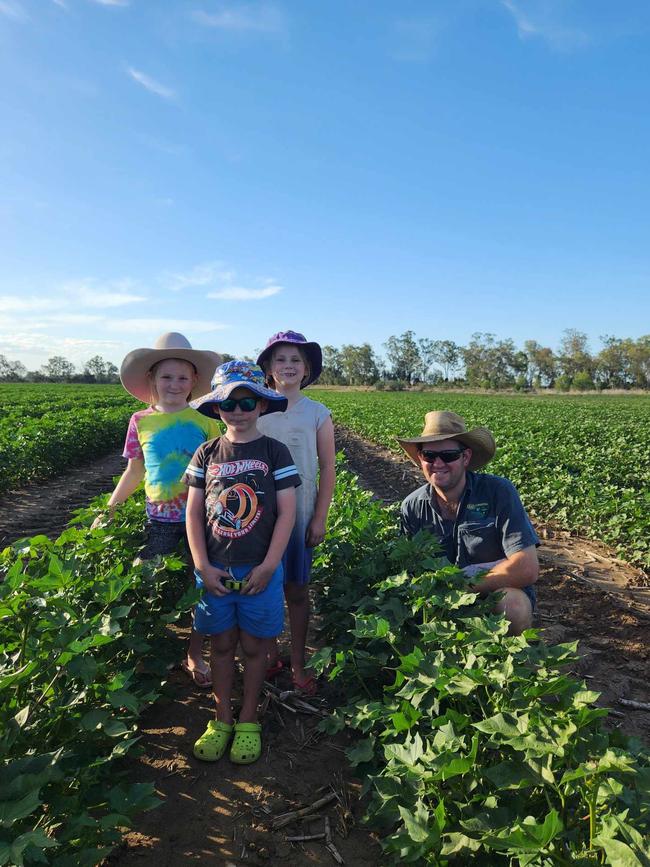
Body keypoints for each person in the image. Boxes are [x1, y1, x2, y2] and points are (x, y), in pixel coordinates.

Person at [184, 361, 300, 764]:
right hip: (215, 569)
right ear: (216, 410)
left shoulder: (275, 452)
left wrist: (270, 566)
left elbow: (286, 513)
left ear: (262, 406)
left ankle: (248, 719)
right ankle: (221, 719)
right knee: (221, 645)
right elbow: (193, 513)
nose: (237, 410)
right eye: (227, 404)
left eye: (247, 401)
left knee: (254, 646)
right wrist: (201, 564)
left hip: (260, 570)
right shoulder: (206, 452)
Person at [93, 332, 221, 686]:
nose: (174, 384)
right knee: (151, 586)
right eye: (166, 376)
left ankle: (195, 655)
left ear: (195, 381)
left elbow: (218, 475)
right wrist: (110, 508)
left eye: (183, 377)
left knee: (202, 587)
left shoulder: (209, 423)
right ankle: (151, 654)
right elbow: (134, 471)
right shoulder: (140, 421)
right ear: (152, 379)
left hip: (202, 520)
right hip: (159, 520)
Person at [398, 411, 539, 634]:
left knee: (513, 607)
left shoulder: (497, 492)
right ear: (421, 459)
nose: (438, 463)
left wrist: (461, 586)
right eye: (429, 455)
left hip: (490, 594)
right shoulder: (412, 507)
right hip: (438, 601)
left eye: (449, 455)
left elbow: (526, 568)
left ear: (465, 457)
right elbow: (406, 569)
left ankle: (511, 660)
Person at [256, 331, 336, 695]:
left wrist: (319, 518)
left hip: (301, 514)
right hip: (258, 518)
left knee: (297, 591)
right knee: (264, 588)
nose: (288, 366)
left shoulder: (317, 413)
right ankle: (271, 655)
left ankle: (299, 661)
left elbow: (328, 469)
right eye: (280, 360)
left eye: (296, 360)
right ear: (269, 369)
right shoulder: (255, 409)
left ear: (306, 370)